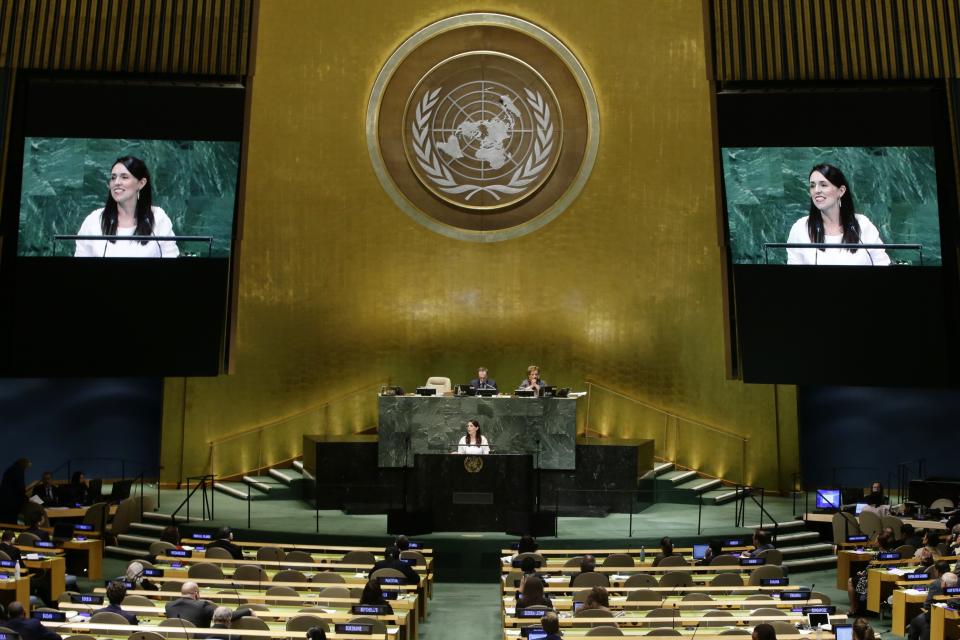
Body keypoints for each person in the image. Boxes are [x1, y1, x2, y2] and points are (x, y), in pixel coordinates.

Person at [75, 156, 180, 258]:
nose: (117, 183)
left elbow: (171, 254)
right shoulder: (94, 220)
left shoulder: (158, 218)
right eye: (113, 177)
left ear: (141, 183)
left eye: (124, 177)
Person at [786, 163, 890, 266]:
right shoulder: (800, 229)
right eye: (812, 186)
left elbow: (882, 262)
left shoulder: (863, 224)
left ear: (841, 191)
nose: (816, 190)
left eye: (823, 185)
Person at [164, 581, 251, 627]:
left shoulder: (168, 606)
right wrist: (248, 611)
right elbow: (224, 616)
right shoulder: (202, 606)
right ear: (196, 593)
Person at [907, 567, 957, 640]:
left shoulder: (935, 584)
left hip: (936, 617)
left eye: (942, 581)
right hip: (954, 621)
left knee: (915, 622)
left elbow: (927, 605)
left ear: (944, 583)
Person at [0, 458, 31, 524]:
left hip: (4, 502)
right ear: (24, 465)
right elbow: (20, 488)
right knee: (12, 523)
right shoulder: (19, 471)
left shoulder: (10, 470)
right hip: (12, 504)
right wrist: (26, 499)